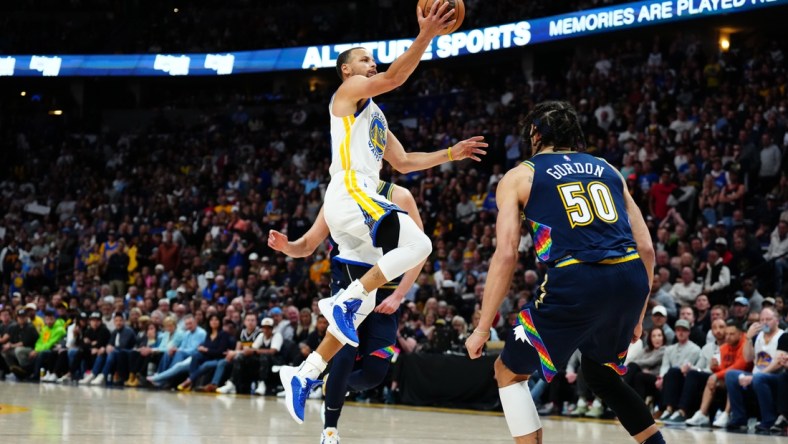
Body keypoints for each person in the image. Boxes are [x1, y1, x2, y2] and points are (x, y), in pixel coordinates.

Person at [277, 2, 487, 426]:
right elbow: (394, 77)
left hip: (358, 210)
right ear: (347, 73)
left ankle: (303, 374)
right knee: (419, 243)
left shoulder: (374, 115)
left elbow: (405, 162)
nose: (372, 64)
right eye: (364, 60)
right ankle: (345, 301)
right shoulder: (346, 96)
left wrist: (452, 152)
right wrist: (426, 34)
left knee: (353, 317)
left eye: (373, 58)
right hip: (352, 193)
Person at [465, 101, 664, 444]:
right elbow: (646, 248)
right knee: (600, 374)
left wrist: (482, 327)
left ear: (537, 134)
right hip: (630, 277)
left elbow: (506, 254)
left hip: (578, 279)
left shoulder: (520, 175)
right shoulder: (607, 168)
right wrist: (637, 317)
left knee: (508, 372)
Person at [268, 180, 425, 441]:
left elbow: (419, 251)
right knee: (343, 356)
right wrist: (287, 247)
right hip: (348, 287)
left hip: (387, 292)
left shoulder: (400, 195)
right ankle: (330, 430)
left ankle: (332, 386)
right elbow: (307, 245)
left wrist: (399, 295)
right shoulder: (338, 195)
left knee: (375, 373)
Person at [724, 307, 785, 431]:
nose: (765, 322)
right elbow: (748, 358)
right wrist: (748, 338)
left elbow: (778, 362)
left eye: (768, 319)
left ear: (777, 321)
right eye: (762, 320)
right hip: (756, 376)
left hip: (776, 378)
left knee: (759, 378)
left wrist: (755, 376)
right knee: (730, 375)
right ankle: (739, 418)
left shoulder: (783, 336)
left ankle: (768, 420)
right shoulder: (758, 336)